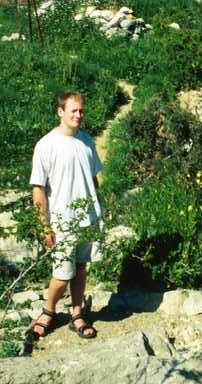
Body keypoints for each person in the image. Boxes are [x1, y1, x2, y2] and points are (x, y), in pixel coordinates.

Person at [30, 91, 103, 339]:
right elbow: (38, 189)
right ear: (60, 112)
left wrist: (98, 209)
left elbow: (94, 179)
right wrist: (44, 226)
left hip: (88, 219)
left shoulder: (87, 142)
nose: (78, 115)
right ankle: (48, 311)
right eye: (73, 110)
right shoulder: (46, 145)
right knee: (62, 275)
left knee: (81, 268)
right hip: (62, 221)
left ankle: (76, 313)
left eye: (81, 110)